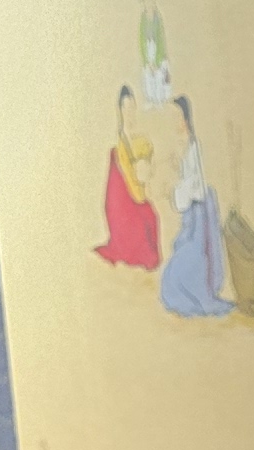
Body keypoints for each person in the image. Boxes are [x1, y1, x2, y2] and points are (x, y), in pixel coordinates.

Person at [155, 95, 236, 317]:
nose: (175, 122)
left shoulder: (194, 146)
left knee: (179, 269)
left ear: (185, 119)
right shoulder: (185, 145)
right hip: (191, 213)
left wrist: (172, 193)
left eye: (177, 117)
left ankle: (194, 288)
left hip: (198, 216)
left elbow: (195, 186)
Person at [95, 89, 159, 268]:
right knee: (140, 234)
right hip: (125, 204)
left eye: (132, 108)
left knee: (152, 217)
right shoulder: (119, 146)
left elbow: (150, 170)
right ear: (120, 110)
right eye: (126, 108)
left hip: (138, 195)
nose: (129, 113)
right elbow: (128, 181)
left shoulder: (141, 141)